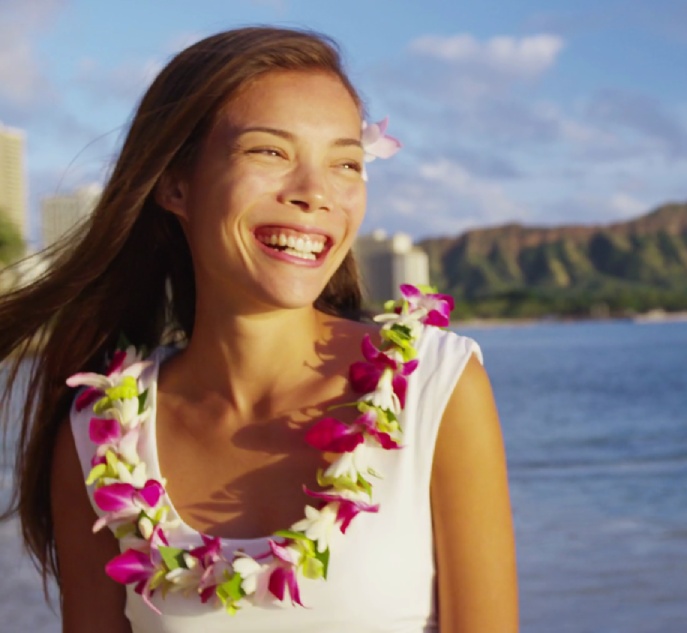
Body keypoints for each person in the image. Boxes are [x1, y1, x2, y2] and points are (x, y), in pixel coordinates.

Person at [0, 27, 518, 632]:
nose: (315, 193)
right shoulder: (101, 436)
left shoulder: (435, 386)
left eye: (346, 162)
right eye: (269, 152)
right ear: (175, 184)